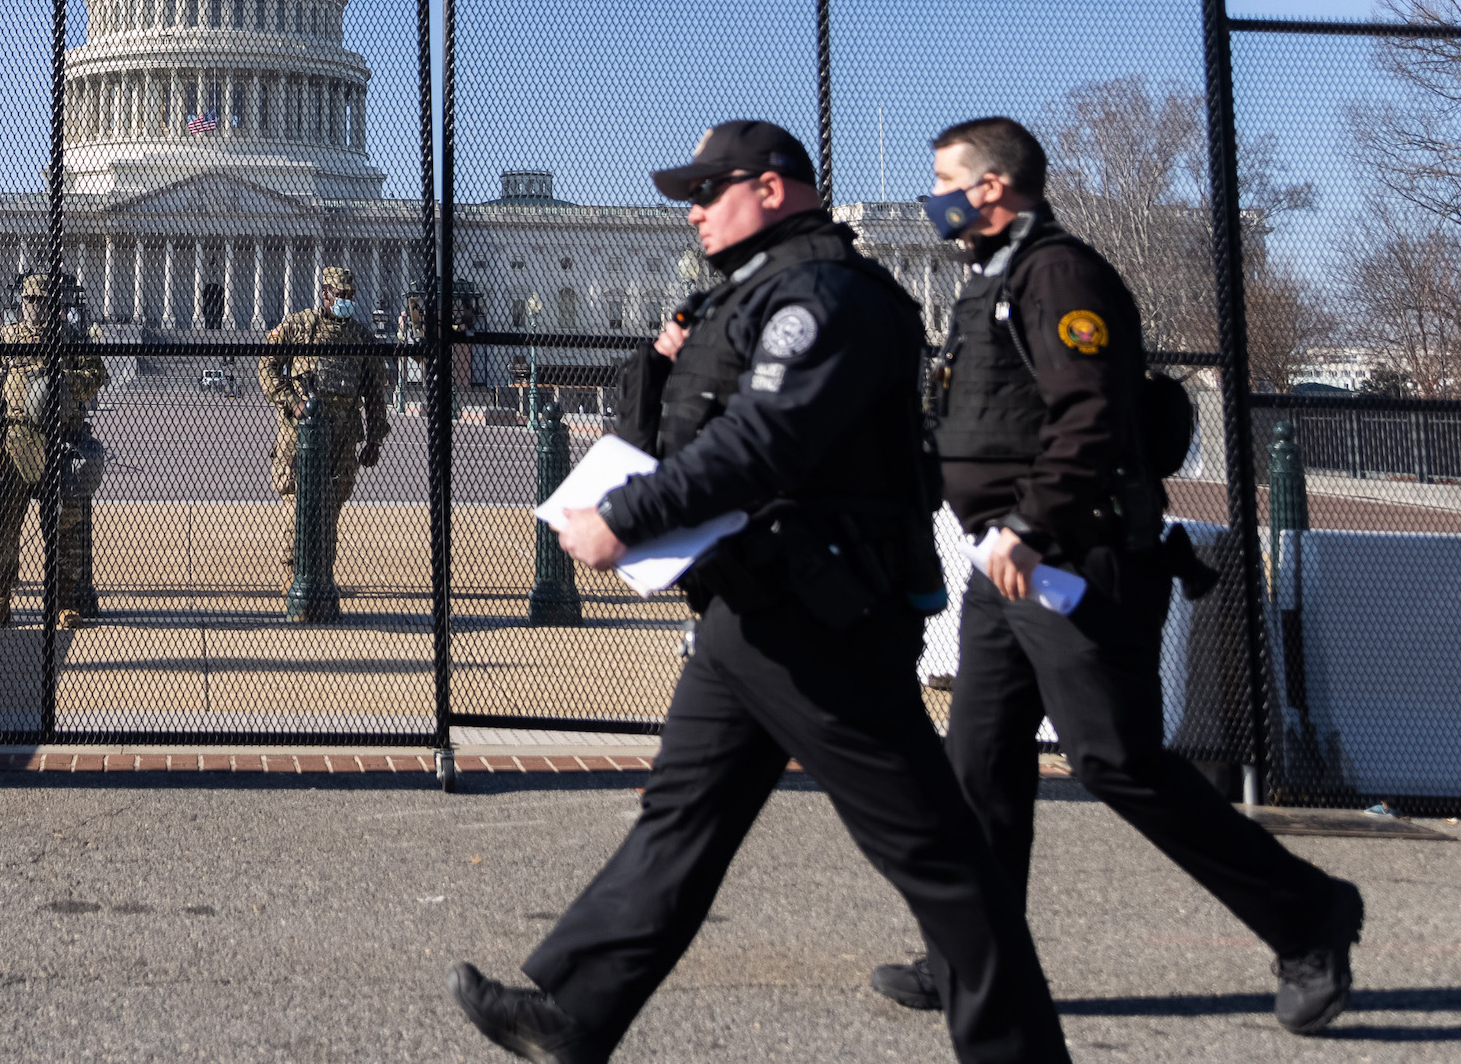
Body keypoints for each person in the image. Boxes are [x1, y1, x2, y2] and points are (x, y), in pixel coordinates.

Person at [448, 121, 1070, 1064]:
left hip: (821, 618)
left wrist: (625, 521)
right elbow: (678, 431)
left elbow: (762, 445)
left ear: (773, 189)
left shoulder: (824, 295)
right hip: (752, 608)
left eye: (708, 189)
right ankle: (574, 1015)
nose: (691, 210)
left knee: (934, 853)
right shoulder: (746, 298)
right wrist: (657, 364)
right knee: (681, 817)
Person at [871, 116, 1362, 1035]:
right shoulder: (990, 281)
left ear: (991, 186)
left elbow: (1089, 417)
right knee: (977, 764)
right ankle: (969, 958)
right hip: (1004, 566)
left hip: (1069, 558)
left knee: (1115, 760)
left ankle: (1307, 915)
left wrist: (1027, 523)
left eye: (944, 178)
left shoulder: (1058, 274)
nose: (931, 194)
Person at [0, 271, 108, 629]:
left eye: (44, 302)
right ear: (21, 304)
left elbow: (97, 373)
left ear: (55, 305)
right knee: (2, 523)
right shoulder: (7, 339)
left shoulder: (70, 338)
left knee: (64, 525)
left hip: (56, 443)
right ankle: (0, 599)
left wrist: (69, 385)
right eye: (31, 301)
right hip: (14, 443)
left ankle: (62, 601)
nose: (37, 308)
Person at [258, 265, 390, 602]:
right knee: (300, 510)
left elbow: (376, 391)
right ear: (325, 294)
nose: (345, 301)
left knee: (330, 510)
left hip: (343, 437)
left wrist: (375, 438)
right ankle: (296, 578)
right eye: (339, 295)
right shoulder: (300, 326)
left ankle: (322, 577)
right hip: (301, 435)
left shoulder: (361, 337)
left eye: (350, 296)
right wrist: (292, 402)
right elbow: (267, 365)